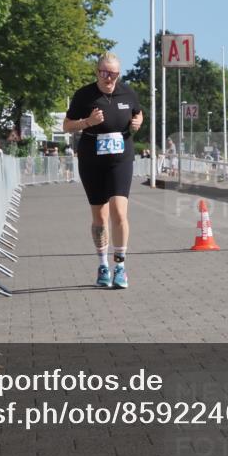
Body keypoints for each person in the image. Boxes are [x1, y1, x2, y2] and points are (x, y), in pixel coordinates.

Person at [63, 53, 143, 289]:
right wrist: (87, 122)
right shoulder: (84, 95)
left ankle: (120, 266)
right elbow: (67, 125)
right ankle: (103, 265)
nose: (109, 78)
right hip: (92, 160)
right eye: (105, 73)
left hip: (120, 159)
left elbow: (138, 112)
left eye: (114, 74)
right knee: (100, 217)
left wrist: (138, 122)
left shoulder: (127, 92)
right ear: (97, 72)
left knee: (119, 211)